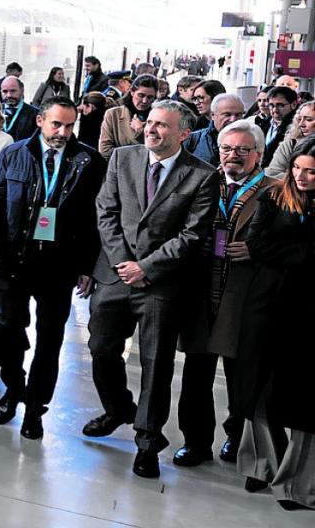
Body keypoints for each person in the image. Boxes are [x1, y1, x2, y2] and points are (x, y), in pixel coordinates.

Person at [85, 100, 219, 479]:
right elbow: (105, 211)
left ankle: (147, 442)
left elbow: (192, 234)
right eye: (150, 122)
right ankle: (117, 408)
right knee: (100, 349)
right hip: (115, 276)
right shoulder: (122, 158)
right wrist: (125, 265)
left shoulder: (202, 175)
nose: (152, 130)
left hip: (162, 283)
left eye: (163, 125)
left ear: (183, 134)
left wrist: (146, 267)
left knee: (156, 365)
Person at [0, 96, 106, 440]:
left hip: (58, 265)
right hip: (13, 259)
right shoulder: (14, 154)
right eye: (57, 124)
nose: (63, 132)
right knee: (9, 327)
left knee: (50, 339)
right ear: (40, 121)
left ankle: (36, 408)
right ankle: (13, 389)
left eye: (70, 126)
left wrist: (87, 265)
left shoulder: (88, 161)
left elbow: (93, 218)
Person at [173, 120, 271, 468]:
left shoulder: (274, 190)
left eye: (242, 150)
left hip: (244, 300)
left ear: (258, 154)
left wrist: (257, 251)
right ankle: (196, 442)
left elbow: (289, 244)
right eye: (227, 149)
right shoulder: (200, 181)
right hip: (200, 295)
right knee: (196, 375)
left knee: (241, 376)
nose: (233, 156)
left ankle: (236, 436)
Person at [235, 138, 315, 510]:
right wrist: (303, 254)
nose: (301, 176)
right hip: (265, 304)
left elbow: (268, 247)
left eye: (311, 171)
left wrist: (286, 254)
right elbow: (256, 244)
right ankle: (261, 464)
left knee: (303, 398)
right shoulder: (273, 197)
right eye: (298, 168)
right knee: (257, 385)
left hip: (306, 312)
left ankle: (297, 482)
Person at [97, 74, 158, 159]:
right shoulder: (113, 114)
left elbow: (161, 150)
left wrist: (141, 131)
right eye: (141, 95)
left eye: (150, 97)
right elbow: (105, 151)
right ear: (132, 92)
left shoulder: (159, 117)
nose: (145, 101)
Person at [184, 93, 244, 167]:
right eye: (227, 115)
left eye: (238, 115)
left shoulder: (251, 141)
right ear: (213, 115)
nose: (233, 120)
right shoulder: (193, 140)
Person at [265, 101, 315, 178]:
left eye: (308, 119)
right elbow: (272, 173)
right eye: (299, 119)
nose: (301, 124)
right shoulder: (290, 144)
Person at [258, 85, 298, 165]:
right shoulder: (264, 124)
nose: (275, 109)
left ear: (293, 104)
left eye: (280, 105)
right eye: (271, 105)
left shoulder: (297, 128)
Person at [0, 75, 39, 141]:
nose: (9, 95)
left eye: (13, 91)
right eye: (5, 91)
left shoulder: (35, 114)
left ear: (22, 91)